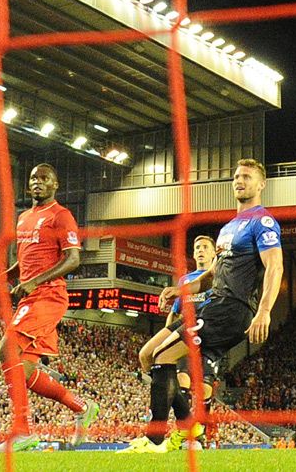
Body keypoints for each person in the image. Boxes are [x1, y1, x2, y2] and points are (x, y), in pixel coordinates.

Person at [120, 158, 283, 453]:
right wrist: (177, 289)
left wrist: (265, 311)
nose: (239, 181)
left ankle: (155, 439)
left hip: (232, 309)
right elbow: (209, 277)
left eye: (246, 176)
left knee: (164, 357)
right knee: (148, 356)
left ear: (261, 184)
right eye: (236, 176)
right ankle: (189, 424)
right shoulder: (229, 228)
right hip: (213, 304)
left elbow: (275, 266)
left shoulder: (264, 221)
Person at [0, 163, 99, 451]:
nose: (38, 182)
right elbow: (24, 264)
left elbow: (72, 260)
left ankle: (21, 431)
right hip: (31, 296)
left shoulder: (61, 215)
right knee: (26, 373)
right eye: (33, 178)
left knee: (5, 350)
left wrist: (34, 283)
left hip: (49, 296)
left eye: (45, 178)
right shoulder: (24, 218)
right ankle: (81, 407)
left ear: (55, 185)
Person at [137, 235, 216, 449]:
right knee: (172, 375)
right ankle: (187, 431)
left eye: (205, 247)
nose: (200, 250)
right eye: (197, 247)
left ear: (213, 253)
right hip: (182, 331)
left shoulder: (217, 277)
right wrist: (165, 334)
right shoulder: (185, 280)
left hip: (206, 332)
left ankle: (196, 436)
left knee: (203, 388)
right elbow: (175, 312)